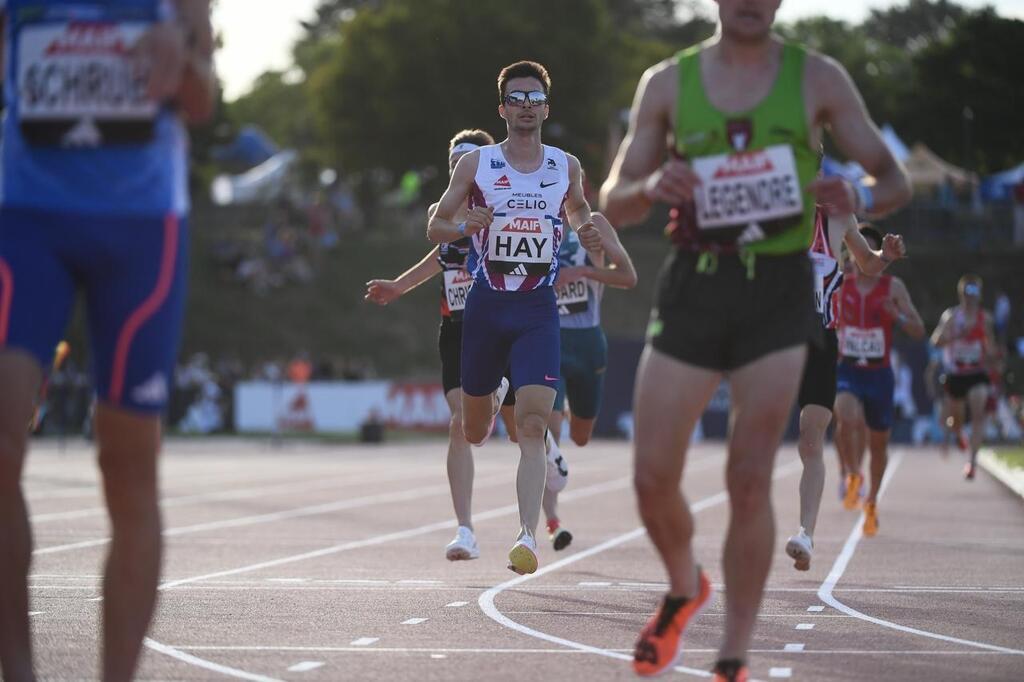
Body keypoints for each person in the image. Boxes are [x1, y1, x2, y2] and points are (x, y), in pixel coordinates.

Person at [599, 0, 912, 676]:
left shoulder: (817, 79)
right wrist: (653, 183)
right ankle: (685, 584)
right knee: (652, 476)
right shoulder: (667, 82)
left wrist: (853, 190)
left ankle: (734, 653)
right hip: (695, 283)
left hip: (777, 288)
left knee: (749, 476)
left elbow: (894, 178)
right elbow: (614, 198)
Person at [0, 2, 215, 680]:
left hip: (141, 228)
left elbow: (204, 98)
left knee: (127, 471)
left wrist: (177, 53)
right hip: (25, 217)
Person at [428, 60, 610, 576]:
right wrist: (465, 222)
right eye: (516, 98)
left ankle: (526, 535)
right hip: (486, 308)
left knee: (532, 425)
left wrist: (586, 229)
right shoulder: (476, 165)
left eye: (535, 99)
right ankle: (492, 399)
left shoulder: (564, 165)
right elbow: (436, 226)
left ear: (545, 108)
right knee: (474, 427)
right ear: (503, 107)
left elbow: (576, 210)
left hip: (536, 308)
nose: (526, 106)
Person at [365, 128, 519, 561]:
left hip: (494, 323)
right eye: (452, 161)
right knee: (459, 425)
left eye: (464, 160)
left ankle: (548, 459)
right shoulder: (444, 216)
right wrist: (398, 286)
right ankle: (465, 529)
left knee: (520, 426)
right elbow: (439, 259)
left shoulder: (501, 205)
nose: (457, 168)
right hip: (455, 330)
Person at [785, 209, 904, 571]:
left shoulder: (836, 217)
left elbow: (866, 262)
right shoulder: (772, 202)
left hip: (820, 342)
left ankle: (806, 532)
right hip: (774, 339)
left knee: (811, 440)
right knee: (754, 436)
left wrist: (886, 256)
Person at [543, 209, 638, 550]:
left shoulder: (594, 223)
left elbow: (628, 277)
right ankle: (553, 521)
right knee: (547, 436)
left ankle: (566, 409)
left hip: (587, 344)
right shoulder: (534, 217)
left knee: (581, 437)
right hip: (547, 339)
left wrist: (582, 271)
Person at [833, 225, 924, 535]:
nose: (867, 260)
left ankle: (871, 501)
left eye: (874, 254)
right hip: (848, 369)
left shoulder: (893, 288)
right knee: (846, 415)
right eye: (862, 253)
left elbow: (918, 329)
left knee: (879, 445)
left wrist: (895, 316)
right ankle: (852, 474)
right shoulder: (839, 284)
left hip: (879, 375)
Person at [930, 275, 1000, 480]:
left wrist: (993, 357)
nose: (971, 298)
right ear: (961, 295)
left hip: (977, 373)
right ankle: (959, 433)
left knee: (979, 412)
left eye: (975, 293)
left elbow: (991, 347)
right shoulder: (951, 317)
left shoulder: (985, 318)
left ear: (979, 295)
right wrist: (956, 336)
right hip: (956, 374)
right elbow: (935, 341)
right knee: (957, 420)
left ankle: (972, 462)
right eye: (967, 293)